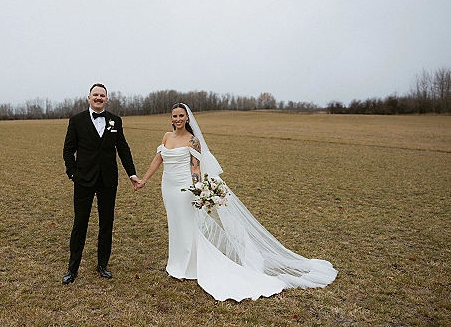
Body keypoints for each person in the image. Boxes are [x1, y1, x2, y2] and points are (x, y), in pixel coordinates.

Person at [136, 103, 337, 301]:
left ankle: (189, 265)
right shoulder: (166, 136)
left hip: (184, 188)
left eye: (181, 116)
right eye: (174, 116)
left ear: (187, 118)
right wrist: (144, 180)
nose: (178, 119)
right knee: (175, 225)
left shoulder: (193, 141)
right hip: (168, 187)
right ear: (171, 118)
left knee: (187, 225)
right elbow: (158, 160)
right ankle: (177, 262)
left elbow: (195, 168)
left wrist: (197, 189)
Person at [62, 83, 140, 284]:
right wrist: (73, 174)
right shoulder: (77, 120)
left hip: (108, 181)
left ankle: (102, 265)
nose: (98, 98)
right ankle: (73, 268)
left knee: (107, 223)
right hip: (84, 181)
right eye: (95, 95)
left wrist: (131, 173)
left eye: (102, 95)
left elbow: (123, 148)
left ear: (107, 99)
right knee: (80, 223)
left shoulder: (115, 120)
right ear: (88, 97)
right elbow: (68, 150)